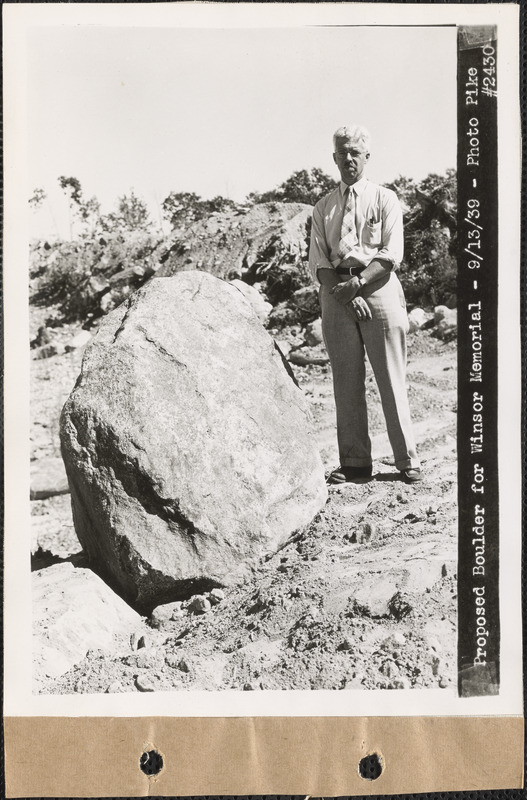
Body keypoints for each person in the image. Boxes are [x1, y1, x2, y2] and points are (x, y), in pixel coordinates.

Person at [308, 124, 422, 484]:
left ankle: (407, 460)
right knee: (346, 380)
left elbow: (391, 254)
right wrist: (343, 292)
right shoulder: (323, 207)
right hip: (336, 294)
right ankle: (355, 462)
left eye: (355, 152)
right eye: (343, 153)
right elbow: (319, 262)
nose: (349, 159)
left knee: (390, 377)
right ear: (334, 157)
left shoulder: (385, 199)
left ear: (367, 157)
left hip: (378, 287)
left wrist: (357, 285)